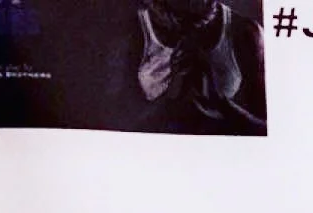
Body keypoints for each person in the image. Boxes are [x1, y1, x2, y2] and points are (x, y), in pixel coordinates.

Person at [109, 0, 266, 135]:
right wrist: (173, 93)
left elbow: (266, 131)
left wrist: (220, 104)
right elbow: (117, 126)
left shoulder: (245, 32)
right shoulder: (133, 31)